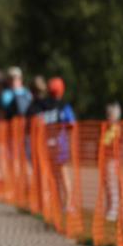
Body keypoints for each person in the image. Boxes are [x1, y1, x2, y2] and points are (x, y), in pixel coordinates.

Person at [40, 76, 77, 214]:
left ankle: (57, 202)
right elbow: (72, 123)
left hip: (47, 143)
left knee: (53, 174)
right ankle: (67, 204)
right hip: (60, 144)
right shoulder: (64, 106)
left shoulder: (43, 106)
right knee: (63, 174)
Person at [101, 101, 122, 222]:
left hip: (112, 160)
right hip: (106, 159)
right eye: (107, 114)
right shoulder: (109, 127)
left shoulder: (115, 128)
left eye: (110, 115)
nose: (108, 117)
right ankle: (109, 208)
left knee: (111, 184)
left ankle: (113, 210)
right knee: (107, 184)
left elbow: (106, 142)